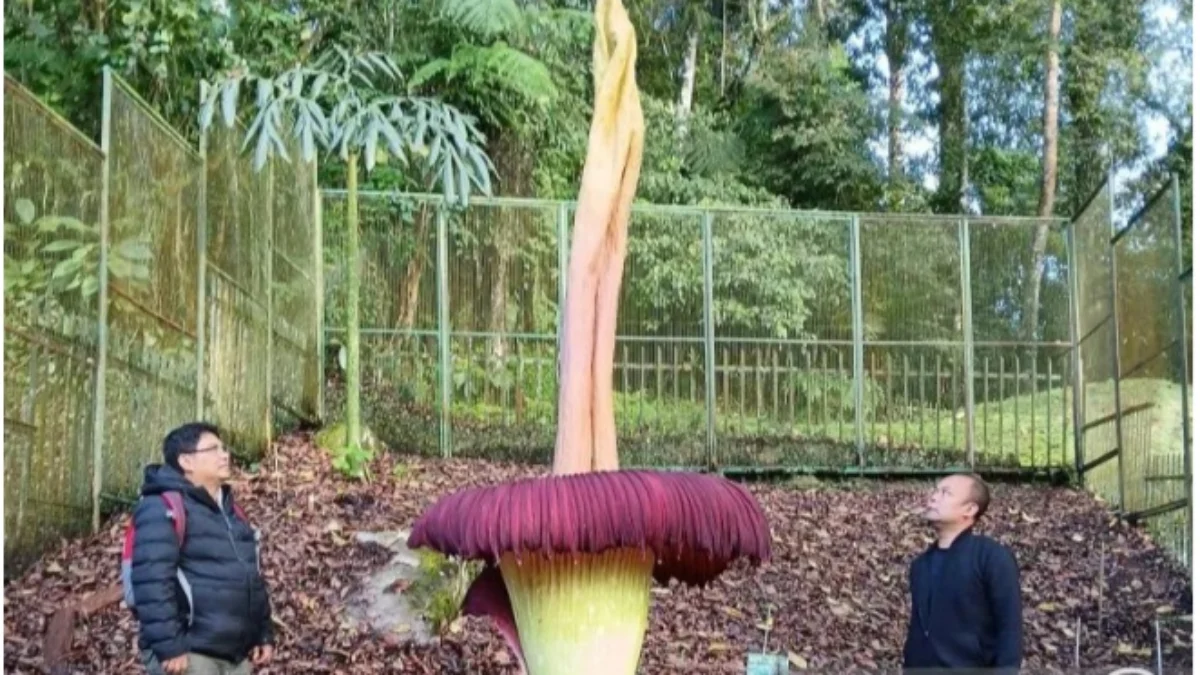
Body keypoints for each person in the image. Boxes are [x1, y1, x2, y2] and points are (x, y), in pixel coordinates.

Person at [129, 422, 275, 674]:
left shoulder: (232, 512)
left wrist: (263, 633)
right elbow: (151, 580)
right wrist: (170, 646)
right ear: (186, 461)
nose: (225, 455)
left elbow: (251, 576)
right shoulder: (161, 507)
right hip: (191, 654)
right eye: (213, 449)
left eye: (224, 448)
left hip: (236, 655)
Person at [903, 473, 1022, 674]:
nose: (933, 497)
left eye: (945, 493)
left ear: (970, 509)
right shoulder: (920, 565)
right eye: (935, 491)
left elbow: (1009, 629)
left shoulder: (990, 557)